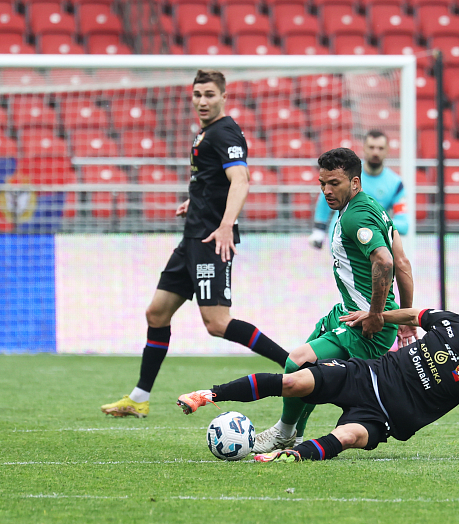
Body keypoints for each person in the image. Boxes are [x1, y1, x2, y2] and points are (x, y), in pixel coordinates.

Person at [101, 70, 289, 418]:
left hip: (210, 240)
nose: (202, 101)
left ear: (224, 97)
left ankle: (293, 365)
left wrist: (226, 225)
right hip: (192, 238)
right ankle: (139, 398)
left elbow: (240, 180)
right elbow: (215, 181)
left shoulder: (225, 132)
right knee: (157, 313)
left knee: (217, 323)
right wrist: (197, 201)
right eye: (198, 94)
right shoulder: (206, 132)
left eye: (209, 95)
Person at [176, 306, 459, 462]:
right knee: (295, 381)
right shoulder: (452, 323)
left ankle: (290, 455)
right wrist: (377, 317)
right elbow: (415, 315)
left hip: (385, 418)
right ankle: (208, 394)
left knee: (347, 437)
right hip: (365, 375)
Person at [247, 147, 416, 453]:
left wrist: (376, 314)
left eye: (334, 183)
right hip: (347, 312)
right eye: (322, 183)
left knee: (296, 362)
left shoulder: (356, 217)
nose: (326, 190)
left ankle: (284, 432)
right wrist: (404, 318)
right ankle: (294, 435)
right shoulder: (374, 208)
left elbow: (386, 262)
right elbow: (403, 263)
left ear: (355, 182)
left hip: (364, 323)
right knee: (305, 368)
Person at [308, 130, 409, 250]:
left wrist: (374, 221)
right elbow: (326, 196)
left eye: (380, 148)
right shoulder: (346, 174)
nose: (375, 152)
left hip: (373, 246)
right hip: (342, 241)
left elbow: (404, 225)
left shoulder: (395, 184)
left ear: (387, 150)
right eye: (371, 147)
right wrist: (319, 229)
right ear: (364, 148)